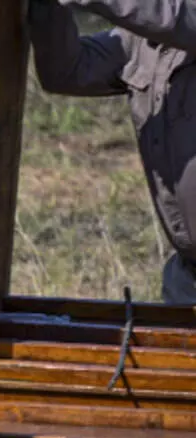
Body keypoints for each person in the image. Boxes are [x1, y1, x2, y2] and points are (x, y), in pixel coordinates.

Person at [26, 0, 196, 305]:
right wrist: (46, 7)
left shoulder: (173, 19)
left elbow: (175, 19)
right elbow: (68, 70)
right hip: (187, 280)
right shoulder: (145, 42)